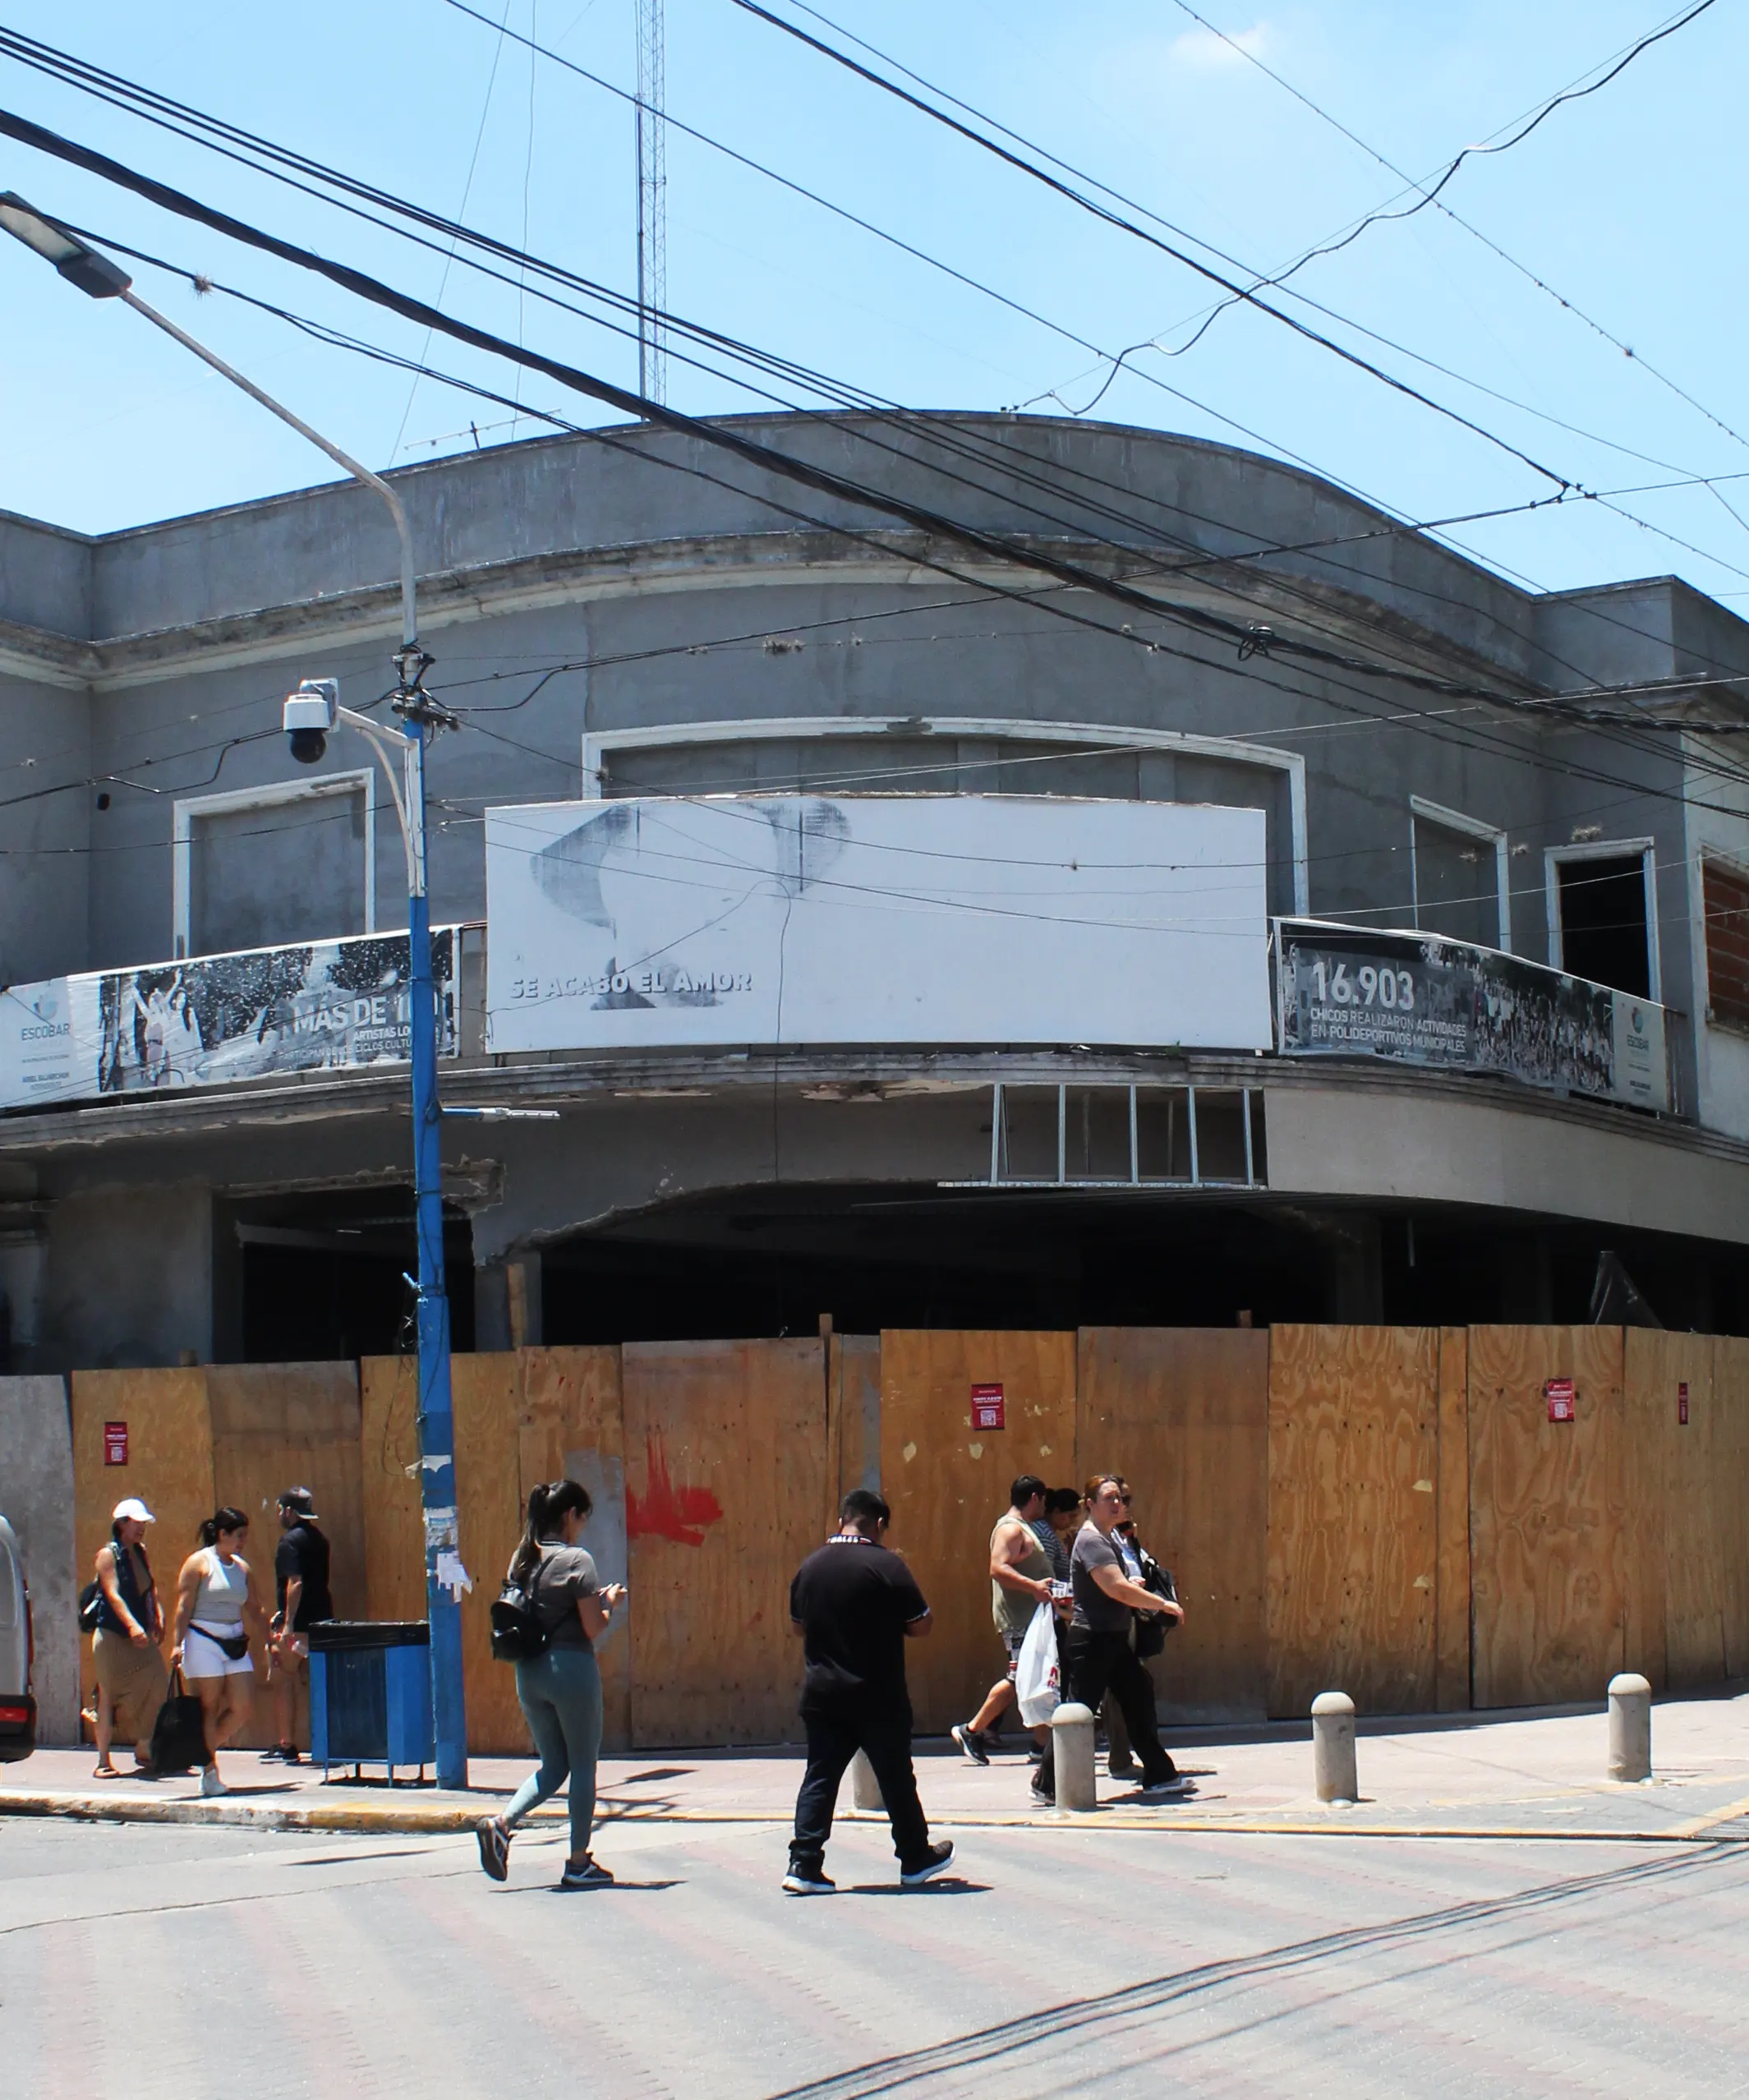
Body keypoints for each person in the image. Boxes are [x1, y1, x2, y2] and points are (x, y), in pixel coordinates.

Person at [785, 1487, 954, 1895]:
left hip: (823, 1694)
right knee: (896, 1777)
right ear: (879, 1524)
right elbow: (921, 1624)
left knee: (820, 1777)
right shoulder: (887, 1565)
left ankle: (803, 1864)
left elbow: (797, 1626)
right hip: (878, 1694)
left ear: (843, 1517)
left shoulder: (810, 1567)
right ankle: (914, 1857)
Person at [475, 1479, 627, 1890]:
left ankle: (502, 1822)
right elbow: (592, 1628)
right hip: (571, 1670)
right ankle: (578, 1862)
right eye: (581, 1518)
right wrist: (607, 1604)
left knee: (553, 1765)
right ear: (568, 1516)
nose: (582, 1527)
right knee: (582, 1766)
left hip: (529, 1672)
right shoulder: (578, 1560)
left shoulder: (520, 1558)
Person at [1032, 1475, 1185, 1807]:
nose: (1118, 1504)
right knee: (1078, 1711)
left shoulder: (1108, 1537)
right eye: (1109, 1499)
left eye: (1120, 1498)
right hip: (1093, 1641)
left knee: (1138, 1698)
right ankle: (1047, 1782)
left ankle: (1159, 1773)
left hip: (1111, 1638)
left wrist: (1133, 1582)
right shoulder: (1093, 1541)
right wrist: (1160, 1603)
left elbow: (1116, 1582)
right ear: (1090, 1505)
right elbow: (1114, 1587)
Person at [951, 1475, 1056, 1766]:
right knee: (1017, 1676)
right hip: (1020, 1617)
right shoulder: (1011, 1529)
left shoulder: (1022, 1528)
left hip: (1032, 1617)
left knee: (1034, 1676)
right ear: (1035, 1498)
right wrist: (1034, 1587)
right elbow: (997, 1568)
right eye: (1044, 1500)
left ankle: (1040, 1744)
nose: (1045, 1507)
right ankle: (972, 1729)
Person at [168, 1508, 270, 1797]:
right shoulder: (199, 1563)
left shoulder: (241, 1568)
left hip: (234, 1639)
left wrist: (270, 1639)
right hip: (203, 1638)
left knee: (243, 1705)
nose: (242, 1542)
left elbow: (255, 1607)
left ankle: (201, 1750)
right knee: (208, 1706)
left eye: (244, 1536)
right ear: (221, 1534)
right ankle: (210, 1772)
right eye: (238, 1536)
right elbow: (184, 1606)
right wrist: (177, 1643)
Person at [90, 1497, 168, 1777]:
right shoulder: (107, 1555)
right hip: (112, 1636)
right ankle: (103, 1761)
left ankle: (144, 1744)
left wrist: (157, 1615)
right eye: (137, 1523)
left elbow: (150, 1588)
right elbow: (113, 1594)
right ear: (121, 1524)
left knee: (159, 1681)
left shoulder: (141, 1552)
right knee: (108, 1697)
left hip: (140, 1637)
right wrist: (133, 1625)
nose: (141, 1528)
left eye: (143, 1523)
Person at [264, 1487, 334, 1764]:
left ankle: (287, 1745)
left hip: (300, 1624)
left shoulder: (289, 1542)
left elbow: (296, 1583)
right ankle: (327, 1743)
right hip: (323, 1620)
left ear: (289, 1511)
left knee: (284, 1681)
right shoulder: (320, 1540)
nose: (280, 1514)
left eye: (281, 1509)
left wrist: (288, 1623)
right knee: (319, 1683)